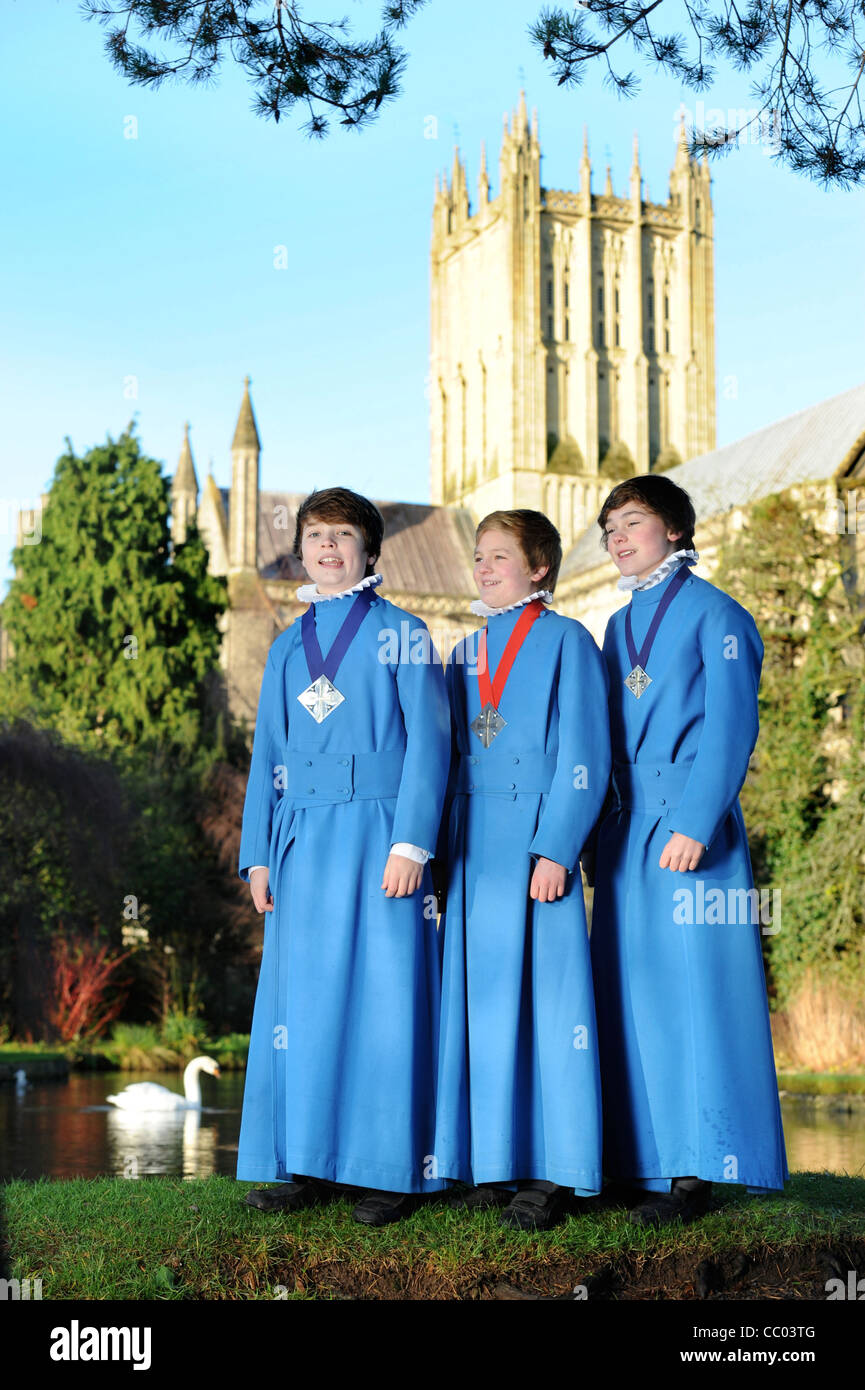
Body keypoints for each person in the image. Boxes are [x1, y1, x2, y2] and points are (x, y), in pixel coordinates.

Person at [236, 487, 451, 1226]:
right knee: (306, 1003)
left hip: (378, 833)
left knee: (384, 1000)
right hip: (302, 841)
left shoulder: (404, 632)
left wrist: (411, 842)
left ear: (368, 550)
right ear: (301, 550)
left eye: (342, 536)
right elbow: (267, 752)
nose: (327, 548)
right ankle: (306, 1164)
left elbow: (430, 742)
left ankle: (390, 1170)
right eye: (315, 536)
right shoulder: (288, 645)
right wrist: (258, 855)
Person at [589, 475, 788, 1226]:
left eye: (631, 522)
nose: (617, 537)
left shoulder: (719, 615)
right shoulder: (614, 626)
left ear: (673, 528)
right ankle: (640, 1162)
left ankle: (699, 1171)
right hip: (624, 828)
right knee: (631, 996)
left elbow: (731, 729)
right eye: (608, 528)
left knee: (696, 996)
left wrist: (696, 822)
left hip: (688, 831)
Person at [434, 509, 611, 1230]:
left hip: (536, 846)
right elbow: (442, 766)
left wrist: (557, 847)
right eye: (477, 556)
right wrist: (440, 854)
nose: (482, 567)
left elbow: (585, 755)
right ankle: (492, 1162)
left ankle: (553, 1172)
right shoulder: (461, 651)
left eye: (498, 556)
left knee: (550, 1009)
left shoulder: (570, 642)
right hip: (473, 847)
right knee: (481, 1010)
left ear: (538, 567)